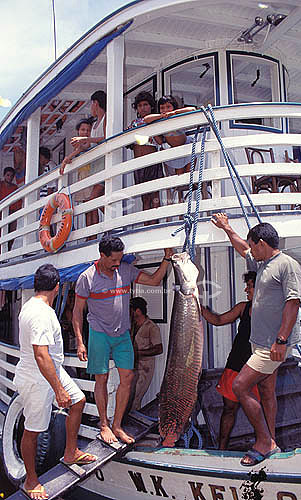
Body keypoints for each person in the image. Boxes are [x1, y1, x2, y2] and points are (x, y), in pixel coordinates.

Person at [211, 213, 301, 466]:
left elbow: (293, 303)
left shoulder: (287, 265)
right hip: (260, 343)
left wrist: (281, 340)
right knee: (266, 391)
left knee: (240, 386)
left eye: (253, 245)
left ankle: (263, 441)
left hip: (274, 344)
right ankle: (271, 440)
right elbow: (242, 247)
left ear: (262, 243)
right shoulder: (262, 264)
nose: (250, 250)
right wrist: (228, 228)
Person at [73, 234, 173, 445]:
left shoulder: (125, 270)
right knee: (101, 379)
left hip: (122, 335)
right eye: (113, 260)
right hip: (99, 333)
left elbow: (154, 281)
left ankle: (117, 425)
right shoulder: (87, 278)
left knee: (127, 378)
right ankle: (103, 424)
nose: (117, 263)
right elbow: (77, 312)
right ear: (102, 255)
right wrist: (80, 341)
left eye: (120, 259)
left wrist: (166, 259)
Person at [13, 264, 96, 500]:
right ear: (57, 287)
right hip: (38, 378)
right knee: (33, 431)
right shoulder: (40, 313)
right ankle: (31, 481)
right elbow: (41, 355)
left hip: (51, 370)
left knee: (78, 401)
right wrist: (58, 390)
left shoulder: (34, 305)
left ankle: (70, 452)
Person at [201, 271, 258, 450]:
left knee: (258, 412)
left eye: (250, 286)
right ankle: (221, 449)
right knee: (229, 409)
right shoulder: (242, 307)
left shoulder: (270, 310)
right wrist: (198, 308)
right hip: (235, 365)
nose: (246, 289)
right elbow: (217, 320)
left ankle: (263, 445)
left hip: (257, 367)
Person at [70, 91, 107, 233]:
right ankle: (91, 234)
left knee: (92, 200)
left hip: (103, 164)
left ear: (96, 103)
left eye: (92, 103)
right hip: (94, 167)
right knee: (91, 203)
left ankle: (113, 222)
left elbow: (105, 137)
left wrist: (85, 139)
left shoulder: (104, 118)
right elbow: (87, 145)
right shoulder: (95, 122)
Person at [128, 91, 164, 222]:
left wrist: (150, 128)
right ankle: (147, 224)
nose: (142, 108)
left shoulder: (155, 121)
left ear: (151, 106)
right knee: (144, 197)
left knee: (154, 194)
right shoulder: (134, 123)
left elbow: (160, 142)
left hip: (152, 162)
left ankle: (155, 223)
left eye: (145, 105)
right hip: (139, 164)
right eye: (140, 105)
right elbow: (134, 142)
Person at [144, 95, 196, 175]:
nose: (165, 110)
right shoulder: (161, 122)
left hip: (186, 145)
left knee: (189, 172)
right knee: (179, 173)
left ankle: (192, 184)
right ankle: (181, 186)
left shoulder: (176, 117)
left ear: (173, 107)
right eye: (162, 108)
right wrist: (161, 116)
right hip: (174, 150)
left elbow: (192, 109)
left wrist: (174, 112)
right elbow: (146, 119)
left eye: (168, 107)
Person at [129, 297, 163, 411]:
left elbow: (159, 349)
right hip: (131, 367)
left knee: (135, 399)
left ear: (138, 311)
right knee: (127, 397)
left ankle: (132, 425)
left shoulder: (151, 327)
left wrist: (137, 353)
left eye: (131, 309)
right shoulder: (132, 325)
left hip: (144, 368)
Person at [0, 166, 19, 251]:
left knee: (11, 233)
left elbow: (18, 202)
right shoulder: (0, 185)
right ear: (4, 176)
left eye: (11, 176)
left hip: (11, 213)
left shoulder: (15, 188)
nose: (9, 177)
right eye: (8, 175)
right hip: (1, 212)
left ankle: (7, 252)